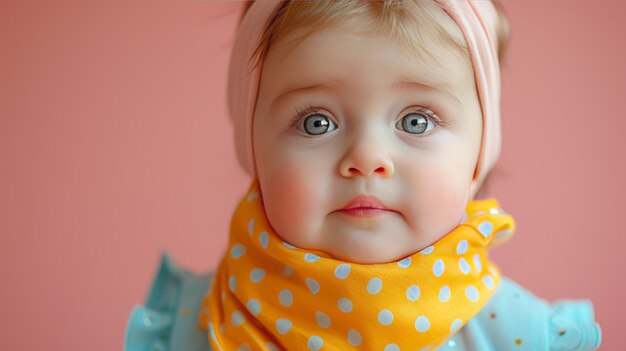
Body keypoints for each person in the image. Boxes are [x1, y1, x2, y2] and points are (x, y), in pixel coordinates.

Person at [125, 1, 602, 350]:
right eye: (317, 122)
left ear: (480, 152)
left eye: (416, 121)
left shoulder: (522, 336)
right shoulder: (192, 328)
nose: (368, 158)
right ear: (254, 148)